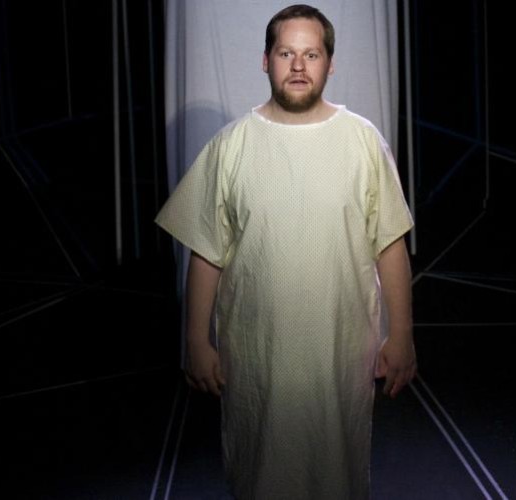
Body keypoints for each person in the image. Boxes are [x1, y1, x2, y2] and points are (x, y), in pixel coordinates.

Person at [155, 4, 416, 499]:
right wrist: (196, 340)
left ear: (330, 64)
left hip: (342, 354)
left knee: (338, 474)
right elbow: (207, 251)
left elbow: (390, 244)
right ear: (265, 61)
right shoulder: (231, 146)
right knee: (261, 474)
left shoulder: (363, 142)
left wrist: (401, 335)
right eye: (286, 53)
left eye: (311, 54)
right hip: (257, 358)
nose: (298, 66)